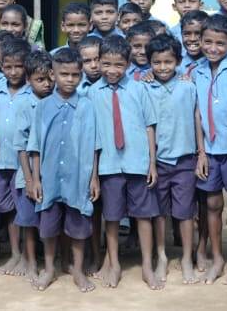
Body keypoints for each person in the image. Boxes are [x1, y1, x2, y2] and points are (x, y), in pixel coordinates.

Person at [89, 36, 160, 289]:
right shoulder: (92, 93)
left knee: (144, 215)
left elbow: (150, 126)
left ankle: (147, 266)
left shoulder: (139, 89)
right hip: (108, 165)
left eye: (119, 65)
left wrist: (152, 163)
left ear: (128, 64)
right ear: (98, 62)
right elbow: (92, 137)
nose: (112, 70)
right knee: (111, 216)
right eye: (106, 64)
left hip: (137, 163)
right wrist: (94, 175)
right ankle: (114, 263)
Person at [29, 48, 98, 293]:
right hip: (49, 178)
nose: (70, 79)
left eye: (75, 75)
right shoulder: (42, 106)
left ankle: (77, 270)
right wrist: (35, 179)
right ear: (52, 74)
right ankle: (49, 268)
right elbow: (35, 146)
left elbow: (94, 145)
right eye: (64, 74)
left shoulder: (87, 106)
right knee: (48, 226)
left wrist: (94, 178)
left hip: (78, 178)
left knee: (78, 225)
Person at [143, 35, 204, 285]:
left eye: (168, 62)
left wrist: (201, 153)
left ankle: (187, 258)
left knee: (185, 212)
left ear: (178, 61)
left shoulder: (188, 86)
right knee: (159, 213)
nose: (162, 67)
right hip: (157, 161)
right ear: (149, 63)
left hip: (184, 160)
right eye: (156, 62)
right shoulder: (145, 87)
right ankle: (161, 255)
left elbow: (197, 119)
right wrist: (150, 162)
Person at [190, 15, 227, 284]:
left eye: (220, 43)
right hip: (210, 150)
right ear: (200, 41)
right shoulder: (196, 71)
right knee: (212, 203)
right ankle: (218, 257)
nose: (213, 48)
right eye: (208, 42)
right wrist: (201, 152)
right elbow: (197, 114)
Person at [0, 39, 35, 278]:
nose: (13, 72)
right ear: (1, 66)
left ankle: (29, 257)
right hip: (2, 161)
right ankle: (16, 254)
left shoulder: (33, 91)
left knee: (25, 210)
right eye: (8, 67)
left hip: (24, 164)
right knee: (8, 209)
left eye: (19, 66)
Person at [14, 50, 52, 283]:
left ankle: (50, 261)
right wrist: (29, 180)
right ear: (28, 80)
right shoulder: (24, 104)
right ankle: (30, 262)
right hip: (27, 171)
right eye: (40, 79)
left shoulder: (56, 101)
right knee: (29, 222)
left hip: (51, 170)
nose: (47, 84)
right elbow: (21, 146)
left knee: (48, 220)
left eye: (49, 78)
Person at [178, 10, 209, 76]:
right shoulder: (176, 65)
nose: (192, 39)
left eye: (198, 33)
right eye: (187, 34)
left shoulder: (214, 65)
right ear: (181, 34)